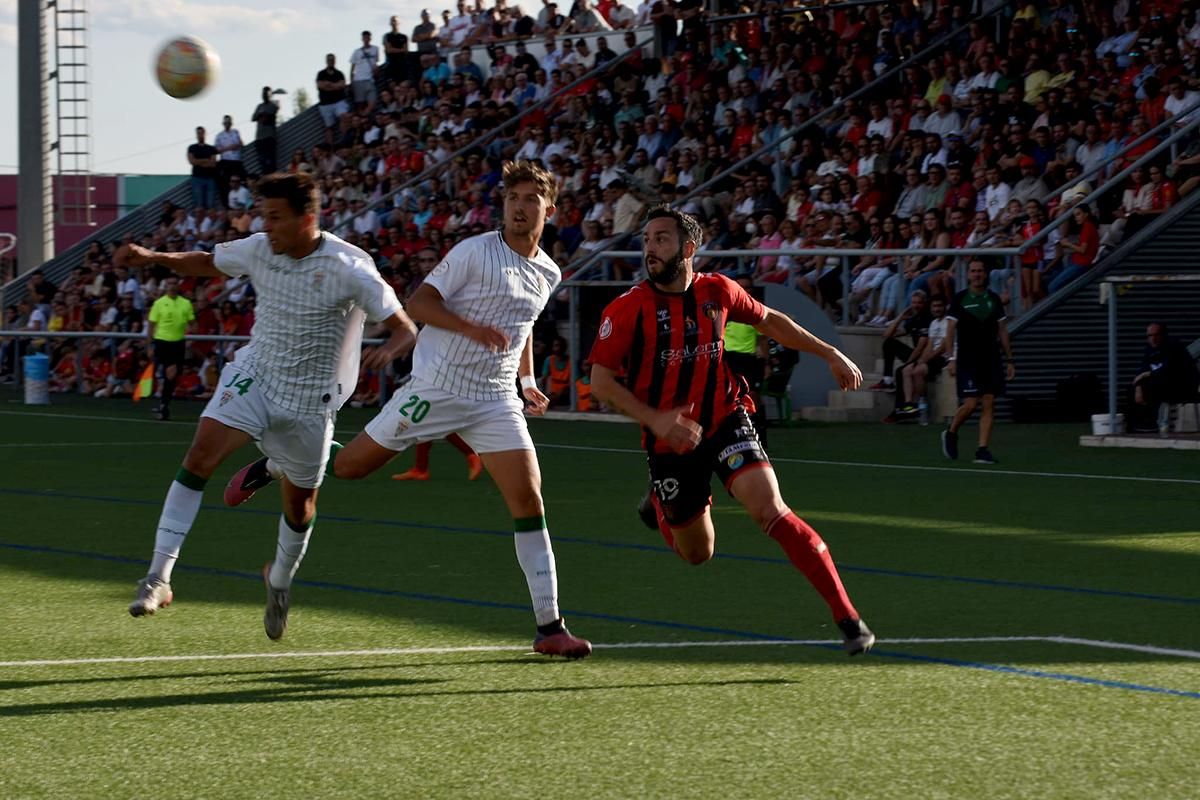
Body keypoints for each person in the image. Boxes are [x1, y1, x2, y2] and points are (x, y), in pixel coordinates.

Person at [223, 161, 592, 659]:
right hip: (435, 388)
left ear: (550, 209)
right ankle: (276, 463)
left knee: (529, 500)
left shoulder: (548, 270)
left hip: (495, 400)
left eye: (530, 199)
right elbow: (419, 305)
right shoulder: (474, 251)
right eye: (512, 198)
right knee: (348, 468)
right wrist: (471, 329)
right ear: (502, 205)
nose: (520, 207)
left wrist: (527, 381)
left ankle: (550, 627)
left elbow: (520, 327)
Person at [122, 172, 418, 641]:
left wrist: (390, 348)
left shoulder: (349, 267)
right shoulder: (261, 248)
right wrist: (152, 257)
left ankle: (279, 580)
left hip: (309, 403)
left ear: (308, 219)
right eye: (264, 216)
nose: (268, 226)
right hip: (255, 376)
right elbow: (205, 262)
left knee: (300, 509)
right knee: (199, 457)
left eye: (276, 218)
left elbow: (404, 327)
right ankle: (158, 577)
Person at [588, 206, 875, 656]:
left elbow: (771, 321)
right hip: (669, 441)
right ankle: (661, 505)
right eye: (646, 240)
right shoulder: (627, 310)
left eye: (660, 239)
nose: (649, 248)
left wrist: (830, 352)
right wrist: (657, 419)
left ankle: (849, 619)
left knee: (771, 510)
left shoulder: (717, 290)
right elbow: (600, 382)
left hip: (725, 418)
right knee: (698, 553)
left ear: (687, 249)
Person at [941, 259, 1014, 465]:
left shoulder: (994, 299)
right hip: (967, 359)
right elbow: (949, 331)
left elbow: (1002, 331)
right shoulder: (960, 299)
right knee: (971, 404)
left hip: (990, 358)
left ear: (986, 274)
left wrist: (1009, 359)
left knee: (989, 402)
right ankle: (951, 431)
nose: (977, 274)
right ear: (968, 275)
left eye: (980, 271)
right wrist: (951, 358)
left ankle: (982, 449)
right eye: (973, 271)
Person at [1130, 322, 1200, 433]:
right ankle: (1137, 425)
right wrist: (1138, 387)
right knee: (1133, 389)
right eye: (1150, 336)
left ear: (1163, 335)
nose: (1153, 339)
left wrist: (1146, 375)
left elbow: (1171, 371)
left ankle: (1153, 423)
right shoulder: (1149, 350)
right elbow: (1141, 370)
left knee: (1153, 386)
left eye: (1156, 335)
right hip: (1162, 385)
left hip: (1182, 387)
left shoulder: (1174, 348)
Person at [145, 277, 195, 421]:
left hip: (178, 342)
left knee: (172, 375)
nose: (172, 286)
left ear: (178, 286)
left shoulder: (186, 303)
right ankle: (163, 403)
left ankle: (163, 403)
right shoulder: (159, 303)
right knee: (169, 372)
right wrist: (149, 345)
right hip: (162, 341)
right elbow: (151, 325)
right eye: (170, 283)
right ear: (166, 285)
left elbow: (192, 323)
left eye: (174, 283)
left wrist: (191, 327)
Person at [187, 126, 219, 209]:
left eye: (201, 133)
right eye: (198, 133)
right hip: (197, 178)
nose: (200, 135)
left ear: (204, 134)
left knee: (210, 204)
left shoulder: (211, 148)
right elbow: (192, 161)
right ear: (196, 135)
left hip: (210, 179)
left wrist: (198, 162)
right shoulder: (192, 148)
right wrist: (205, 160)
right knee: (199, 205)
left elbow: (213, 163)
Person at [251, 87, 279, 175]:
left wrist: (262, 115)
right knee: (262, 162)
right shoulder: (259, 106)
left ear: (270, 94)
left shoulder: (273, 104)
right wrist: (260, 114)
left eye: (266, 93)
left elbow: (269, 116)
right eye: (263, 93)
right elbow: (253, 118)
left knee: (270, 161)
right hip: (259, 138)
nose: (264, 95)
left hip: (269, 137)